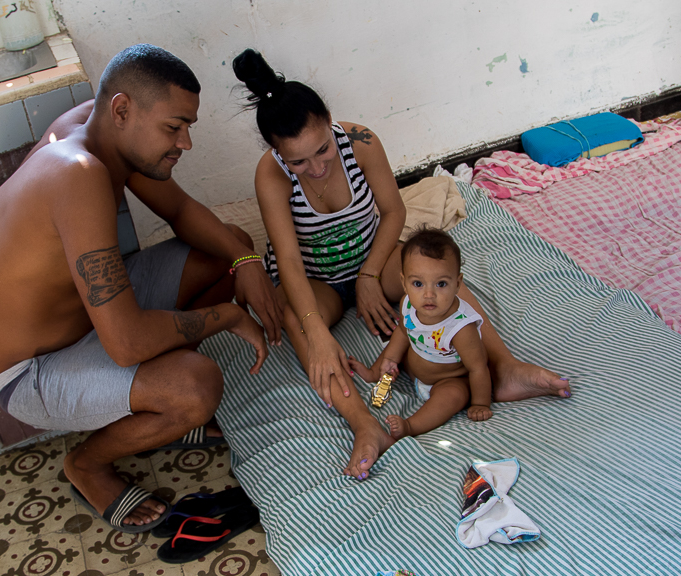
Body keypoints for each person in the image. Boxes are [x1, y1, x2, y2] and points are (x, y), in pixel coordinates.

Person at [0, 44, 282, 533]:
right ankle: (88, 465)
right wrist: (231, 316)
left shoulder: (96, 129)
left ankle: (157, 405)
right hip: (28, 371)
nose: (186, 143)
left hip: (92, 319)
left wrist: (246, 260)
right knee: (197, 386)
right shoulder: (78, 174)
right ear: (122, 110)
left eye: (188, 128)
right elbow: (127, 342)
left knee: (229, 247)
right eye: (174, 127)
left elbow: (180, 212)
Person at [232, 48, 571, 480]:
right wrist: (316, 332)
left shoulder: (361, 141)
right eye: (298, 161)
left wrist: (370, 275)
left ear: (331, 122)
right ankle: (365, 424)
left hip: (376, 258)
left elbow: (394, 213)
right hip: (315, 278)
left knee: (436, 277)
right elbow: (292, 264)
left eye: (322, 150)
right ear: (277, 153)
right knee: (297, 323)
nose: (316, 168)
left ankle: (503, 368)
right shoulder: (270, 174)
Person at [350, 228, 493, 438]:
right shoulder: (407, 304)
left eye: (441, 284)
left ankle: (411, 426)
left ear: (458, 283)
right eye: (418, 284)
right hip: (415, 363)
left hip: (447, 379)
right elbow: (402, 332)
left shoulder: (461, 328)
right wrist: (390, 360)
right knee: (398, 346)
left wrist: (480, 403)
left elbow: (478, 368)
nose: (429, 294)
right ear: (404, 283)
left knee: (453, 396)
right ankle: (374, 373)